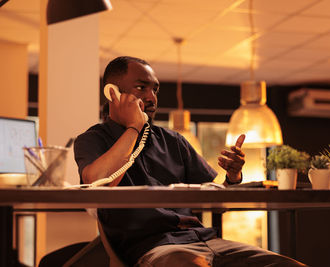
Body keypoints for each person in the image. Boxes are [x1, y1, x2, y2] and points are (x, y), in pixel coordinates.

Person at [74, 56, 307, 267]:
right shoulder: (92, 140)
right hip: (154, 249)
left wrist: (232, 177)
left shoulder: (173, 141)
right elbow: (99, 182)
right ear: (112, 93)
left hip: (205, 240)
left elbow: (214, 201)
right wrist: (134, 126)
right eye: (141, 88)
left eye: (154, 89)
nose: (151, 97)